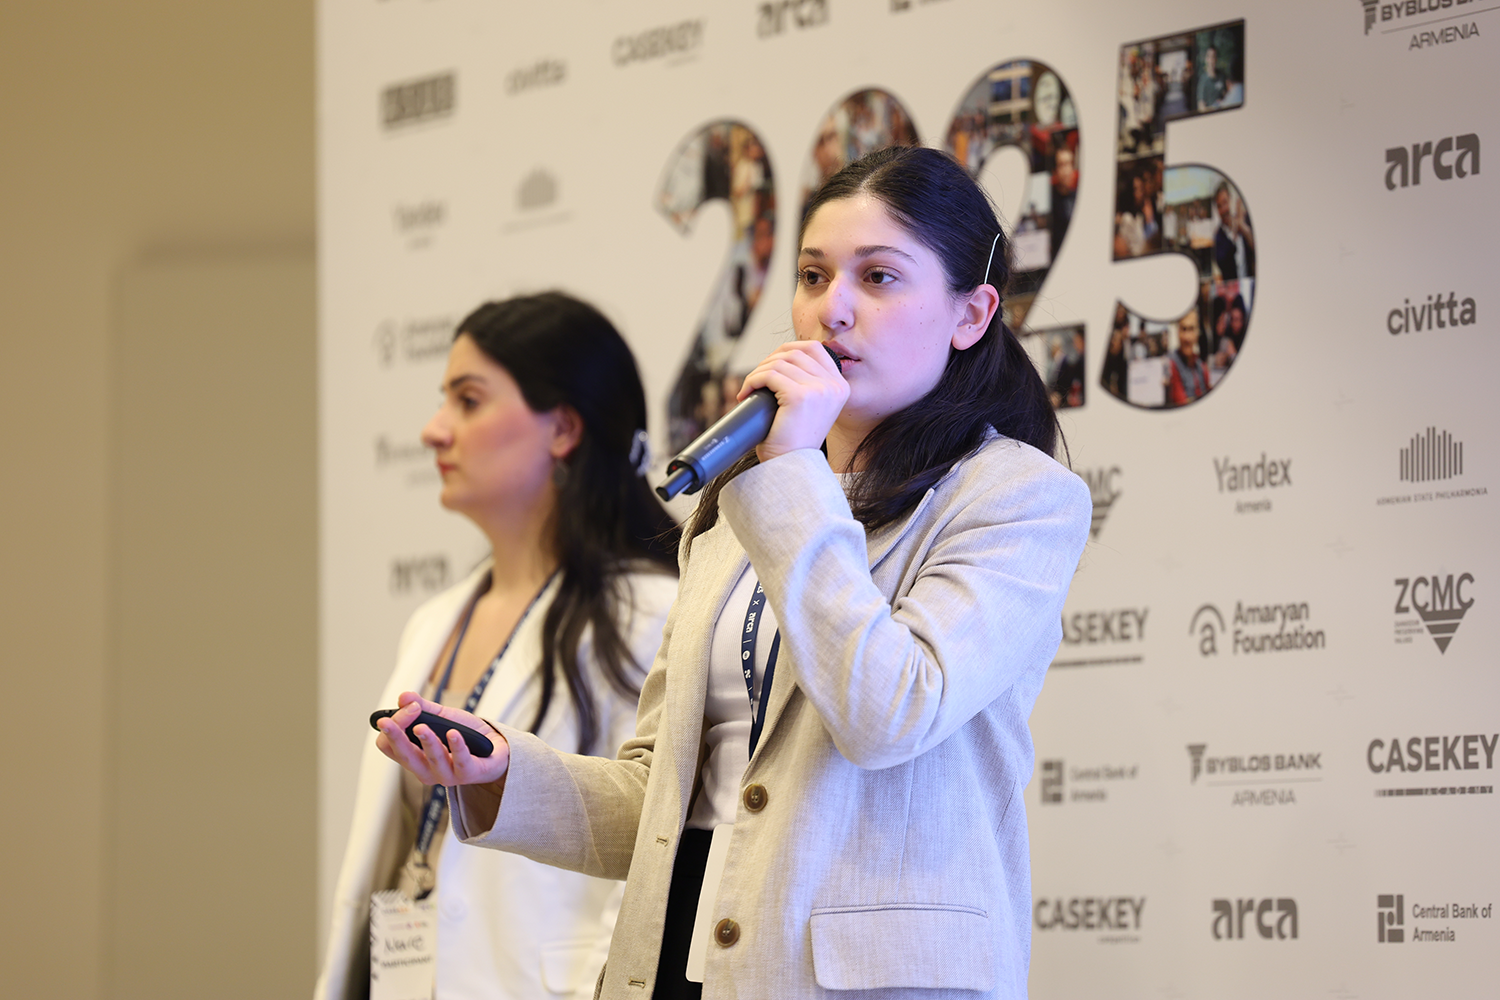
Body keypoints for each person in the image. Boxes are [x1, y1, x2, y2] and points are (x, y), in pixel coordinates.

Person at [376, 146, 1093, 1000]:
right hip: (677, 962)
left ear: (971, 314)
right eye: (814, 276)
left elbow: (889, 711)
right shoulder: (746, 503)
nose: (832, 310)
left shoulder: (1016, 498)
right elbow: (659, 797)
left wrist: (789, 471)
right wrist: (500, 775)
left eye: (879, 278)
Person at [316, 293, 681, 1000]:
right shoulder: (436, 620)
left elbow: (653, 852)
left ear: (562, 429)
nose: (433, 431)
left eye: (468, 400)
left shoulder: (653, 614)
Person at [1165, 308, 1212, 406]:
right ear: (1177, 332)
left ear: (1197, 332)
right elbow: (1182, 404)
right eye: (1183, 329)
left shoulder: (1201, 366)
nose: (1187, 337)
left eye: (1191, 329)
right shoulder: (1171, 364)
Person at [1213, 182, 1256, 280]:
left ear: (1231, 200)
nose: (1223, 209)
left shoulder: (1245, 222)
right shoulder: (1218, 237)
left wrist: (1243, 228)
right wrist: (1233, 235)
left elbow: (1257, 249)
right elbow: (1222, 262)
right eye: (1219, 206)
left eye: (1225, 202)